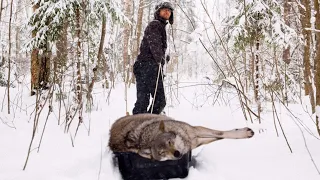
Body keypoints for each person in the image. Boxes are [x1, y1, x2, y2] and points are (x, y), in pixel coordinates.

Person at [132, 1, 174, 115]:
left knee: (143, 100)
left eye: (169, 10)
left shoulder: (159, 26)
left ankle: (141, 123)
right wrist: (161, 59)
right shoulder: (155, 25)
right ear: (158, 11)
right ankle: (148, 123)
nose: (167, 12)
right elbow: (154, 44)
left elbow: (155, 46)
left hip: (144, 66)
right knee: (159, 101)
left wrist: (163, 58)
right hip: (148, 66)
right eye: (164, 9)